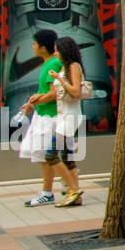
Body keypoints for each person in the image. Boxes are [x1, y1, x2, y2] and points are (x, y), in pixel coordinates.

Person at [18, 29, 74, 207]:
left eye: (34, 44)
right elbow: (47, 92)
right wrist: (33, 103)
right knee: (49, 155)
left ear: (43, 47)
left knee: (47, 155)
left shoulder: (52, 65)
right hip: (44, 114)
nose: (33, 47)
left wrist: (37, 100)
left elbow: (54, 92)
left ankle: (53, 191)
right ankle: (64, 187)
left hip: (50, 117)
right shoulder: (50, 64)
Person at [44, 36, 87, 208]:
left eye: (57, 49)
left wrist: (60, 79)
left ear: (64, 50)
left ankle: (72, 190)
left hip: (70, 117)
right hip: (64, 116)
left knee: (50, 154)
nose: (55, 53)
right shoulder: (64, 67)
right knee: (67, 156)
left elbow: (75, 91)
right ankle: (75, 194)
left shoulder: (73, 66)